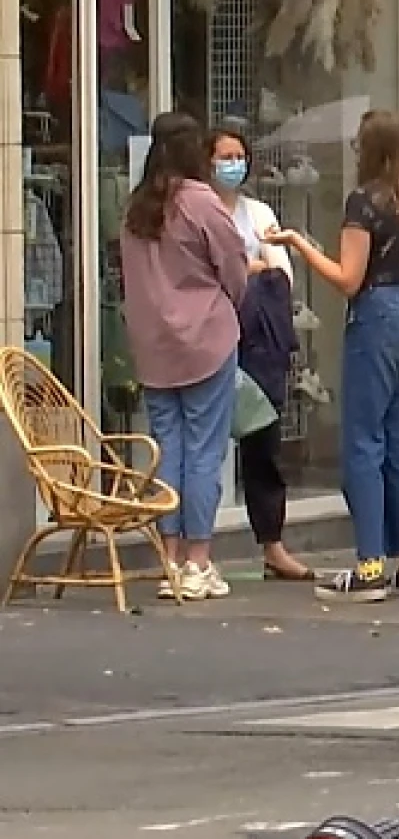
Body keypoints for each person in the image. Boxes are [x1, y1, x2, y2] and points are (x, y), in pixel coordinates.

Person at [263, 111, 399, 604]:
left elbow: (349, 278)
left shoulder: (364, 203)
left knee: (363, 442)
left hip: (378, 316)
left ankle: (369, 566)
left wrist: (299, 244)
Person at [119, 111, 249, 601]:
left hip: (154, 349)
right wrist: (227, 304)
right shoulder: (200, 202)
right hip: (205, 343)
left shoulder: (138, 207)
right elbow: (234, 264)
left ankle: (168, 558)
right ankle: (198, 561)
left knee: (167, 449)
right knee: (204, 453)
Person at [209, 126, 312, 581]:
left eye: (239, 155)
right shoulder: (201, 213)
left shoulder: (258, 212)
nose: (233, 164)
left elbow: (280, 271)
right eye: (223, 156)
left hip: (259, 344)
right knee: (204, 447)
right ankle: (196, 548)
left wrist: (245, 270)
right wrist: (250, 269)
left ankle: (272, 544)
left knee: (263, 443)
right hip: (213, 339)